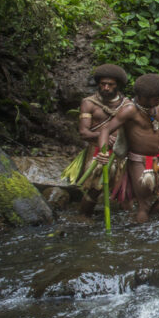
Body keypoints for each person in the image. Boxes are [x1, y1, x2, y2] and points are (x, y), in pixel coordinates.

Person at [95, 73, 159, 223]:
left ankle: (147, 219)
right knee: (144, 204)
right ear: (143, 97)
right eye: (156, 98)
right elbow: (105, 130)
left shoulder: (155, 108)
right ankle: (142, 234)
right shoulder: (130, 110)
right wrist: (103, 153)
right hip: (139, 162)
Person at [62, 64, 129, 215]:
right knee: (94, 189)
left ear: (117, 85)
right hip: (98, 152)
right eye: (102, 84)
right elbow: (84, 133)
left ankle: (130, 226)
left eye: (110, 85)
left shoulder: (127, 105)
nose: (105, 87)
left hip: (121, 153)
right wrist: (103, 136)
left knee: (125, 190)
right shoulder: (89, 103)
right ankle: (83, 218)